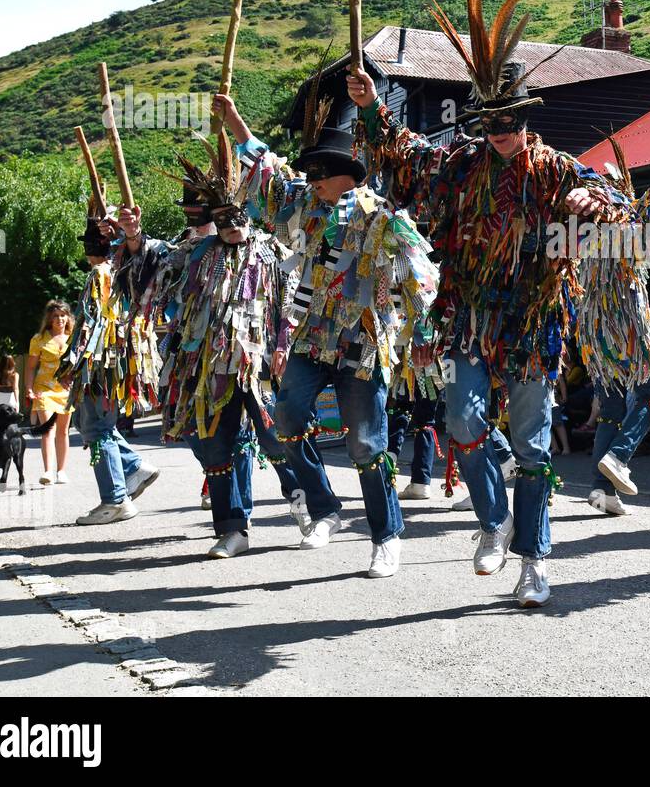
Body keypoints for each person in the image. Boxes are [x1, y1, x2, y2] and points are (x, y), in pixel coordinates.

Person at [352, 0, 615, 607]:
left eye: (509, 124)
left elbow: (605, 192)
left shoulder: (554, 169)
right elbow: (404, 151)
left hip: (533, 318)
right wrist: (370, 109)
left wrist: (590, 203)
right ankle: (491, 520)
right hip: (469, 314)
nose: (500, 134)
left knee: (531, 443)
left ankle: (534, 561)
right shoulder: (459, 166)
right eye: (490, 123)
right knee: (462, 422)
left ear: (526, 121)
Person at [219, 69, 437, 578]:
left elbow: (419, 276)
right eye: (311, 168)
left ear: (350, 172)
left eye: (323, 168)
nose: (313, 175)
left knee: (366, 442)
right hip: (310, 336)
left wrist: (422, 334)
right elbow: (269, 171)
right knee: (287, 418)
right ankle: (324, 508)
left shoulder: (380, 215)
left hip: (363, 339)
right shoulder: (301, 205)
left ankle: (386, 536)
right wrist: (235, 124)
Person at [118, 135, 314, 559]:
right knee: (217, 445)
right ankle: (232, 528)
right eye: (221, 218)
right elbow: (151, 265)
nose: (230, 226)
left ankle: (302, 501)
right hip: (207, 367)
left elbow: (290, 301)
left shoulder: (270, 252)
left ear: (249, 211)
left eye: (236, 216)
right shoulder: (193, 253)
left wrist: (282, 346)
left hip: (258, 364)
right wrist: (134, 237)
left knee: (275, 436)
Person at [577, 137, 650, 516]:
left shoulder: (580, 233)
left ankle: (602, 489)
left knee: (612, 405)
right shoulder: (625, 223)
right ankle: (618, 458)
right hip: (629, 322)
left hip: (592, 328)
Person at [58, 203, 161, 525]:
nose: (87, 251)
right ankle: (132, 467)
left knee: (96, 427)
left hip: (102, 364)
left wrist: (72, 366)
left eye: (90, 244)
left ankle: (115, 499)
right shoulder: (119, 272)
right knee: (93, 425)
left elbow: (93, 327)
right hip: (116, 363)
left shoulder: (102, 275)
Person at [26, 300, 73, 485]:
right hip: (43, 389)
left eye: (63, 315)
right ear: (49, 318)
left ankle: (61, 471)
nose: (60, 319)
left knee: (63, 431)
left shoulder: (74, 338)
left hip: (66, 389)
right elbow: (31, 367)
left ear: (68, 317)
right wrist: (28, 388)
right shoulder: (39, 339)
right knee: (48, 429)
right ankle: (48, 471)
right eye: (55, 316)